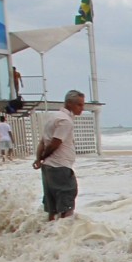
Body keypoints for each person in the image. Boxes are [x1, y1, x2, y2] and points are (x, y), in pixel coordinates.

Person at [32, 90, 85, 220]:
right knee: (66, 204)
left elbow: (43, 142)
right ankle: (64, 236)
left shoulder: (53, 117)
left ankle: (50, 235)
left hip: (49, 168)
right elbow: (55, 143)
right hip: (60, 166)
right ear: (69, 104)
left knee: (52, 207)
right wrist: (42, 158)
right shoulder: (65, 121)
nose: (82, 108)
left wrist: (39, 159)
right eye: (79, 105)